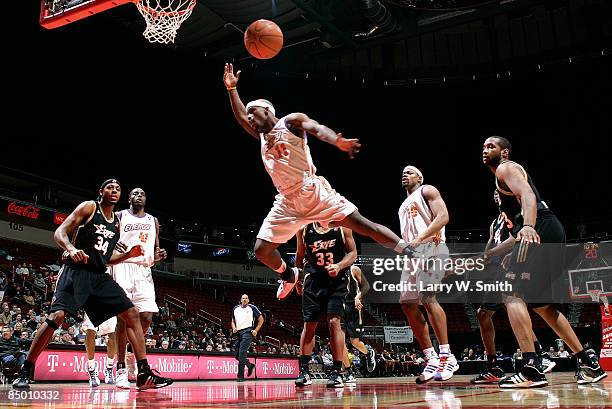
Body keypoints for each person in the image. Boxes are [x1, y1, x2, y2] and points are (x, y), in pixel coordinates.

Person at [223, 63, 417, 300]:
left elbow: (315, 128)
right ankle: (288, 275)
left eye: (253, 114)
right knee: (261, 250)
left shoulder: (290, 122)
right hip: (287, 201)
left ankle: (409, 250)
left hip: (313, 191)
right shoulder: (262, 136)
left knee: (364, 226)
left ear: (266, 110)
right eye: (249, 116)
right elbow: (241, 117)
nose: (249, 119)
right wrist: (232, 89)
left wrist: (336, 140)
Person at [11, 179, 172, 390]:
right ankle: (25, 370)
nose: (114, 191)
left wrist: (126, 255)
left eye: (117, 189)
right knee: (56, 318)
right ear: (101, 191)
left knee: (132, 314)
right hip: (76, 272)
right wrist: (70, 248)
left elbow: (106, 258)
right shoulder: (89, 207)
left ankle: (143, 373)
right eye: (110, 188)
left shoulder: (116, 222)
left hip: (98, 276)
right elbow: (60, 232)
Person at [482, 136, 606, 387]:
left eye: (491, 146)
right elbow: (517, 222)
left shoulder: (507, 168)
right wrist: (510, 250)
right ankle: (588, 363)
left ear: (504, 152)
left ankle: (530, 367)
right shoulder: (501, 186)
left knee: (512, 293)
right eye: (483, 147)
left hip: (540, 227)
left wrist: (528, 226)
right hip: (547, 229)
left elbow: (527, 194)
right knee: (543, 306)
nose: (485, 150)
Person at [470, 191, 556, 384]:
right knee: (504, 311)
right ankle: (539, 357)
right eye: (493, 192)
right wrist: (479, 261)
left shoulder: (520, 212)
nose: (495, 194)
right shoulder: (496, 222)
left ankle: (500, 366)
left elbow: (518, 237)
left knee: (489, 312)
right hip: (496, 269)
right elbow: (489, 250)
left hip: (513, 264)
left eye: (499, 191)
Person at [397, 165, 458, 383]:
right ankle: (430, 357)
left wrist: (420, 239)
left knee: (428, 297)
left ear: (420, 177)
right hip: (412, 254)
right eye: (403, 172)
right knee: (406, 303)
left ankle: (446, 355)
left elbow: (443, 217)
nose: (405, 173)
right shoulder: (402, 205)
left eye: (410, 171)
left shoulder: (427, 191)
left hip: (431, 247)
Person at [112, 187, 167, 389]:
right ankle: (120, 369)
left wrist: (159, 255)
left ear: (145, 199)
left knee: (146, 317)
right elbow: (109, 238)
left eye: (142, 194)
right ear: (129, 199)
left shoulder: (153, 221)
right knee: (124, 317)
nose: (138, 196)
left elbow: (156, 247)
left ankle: (132, 354)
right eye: (134, 193)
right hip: (123, 266)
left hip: (144, 270)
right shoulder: (119, 216)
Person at [293, 222, 356, 389]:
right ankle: (304, 372)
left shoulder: (342, 227)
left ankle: (337, 372)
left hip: (337, 281)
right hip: (313, 281)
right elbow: (300, 255)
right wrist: (297, 278)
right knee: (309, 325)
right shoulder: (304, 228)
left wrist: (339, 265)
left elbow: (353, 253)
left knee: (334, 322)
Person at [341, 265, 377, 382]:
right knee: (339, 342)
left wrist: (358, 296)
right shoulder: (332, 268)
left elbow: (366, 286)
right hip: (339, 306)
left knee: (354, 342)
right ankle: (348, 371)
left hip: (353, 307)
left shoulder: (353, 269)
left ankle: (368, 353)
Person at [231, 294, 264, 382]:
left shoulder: (252, 308)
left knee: (242, 353)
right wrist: (234, 327)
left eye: (246, 298)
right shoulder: (235, 308)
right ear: (240, 300)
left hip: (248, 331)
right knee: (236, 355)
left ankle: (240, 376)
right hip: (238, 332)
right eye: (243, 298)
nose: (244, 299)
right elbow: (233, 320)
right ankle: (249, 365)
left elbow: (261, 319)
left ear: (248, 300)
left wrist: (256, 330)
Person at [81, 312, 117, 386]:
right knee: (90, 331)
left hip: (109, 304)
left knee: (112, 334)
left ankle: (109, 367)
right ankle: (92, 368)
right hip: (92, 304)